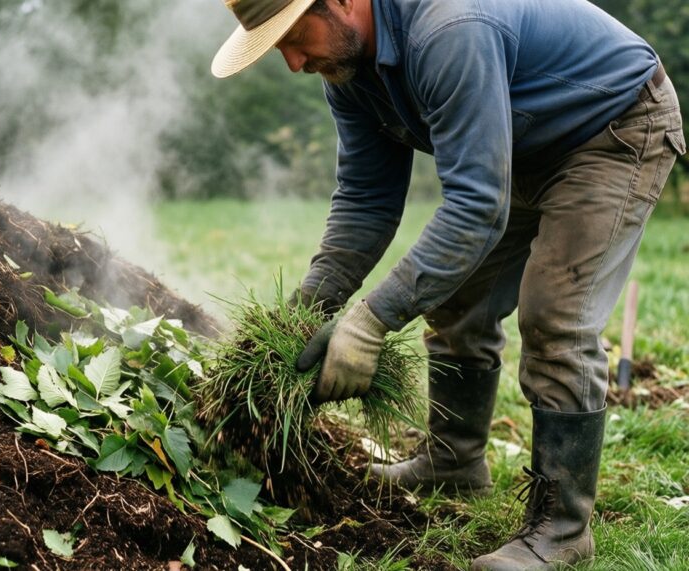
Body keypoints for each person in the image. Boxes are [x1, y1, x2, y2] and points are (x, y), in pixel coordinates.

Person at [212, 0, 685, 568]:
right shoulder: (348, 74)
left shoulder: (449, 29)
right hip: (525, 144)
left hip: (611, 127)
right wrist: (304, 312)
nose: (293, 62)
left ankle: (562, 531)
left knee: (554, 316)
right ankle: (454, 464)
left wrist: (370, 322)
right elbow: (366, 201)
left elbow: (477, 207)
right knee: (458, 295)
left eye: (293, 36)